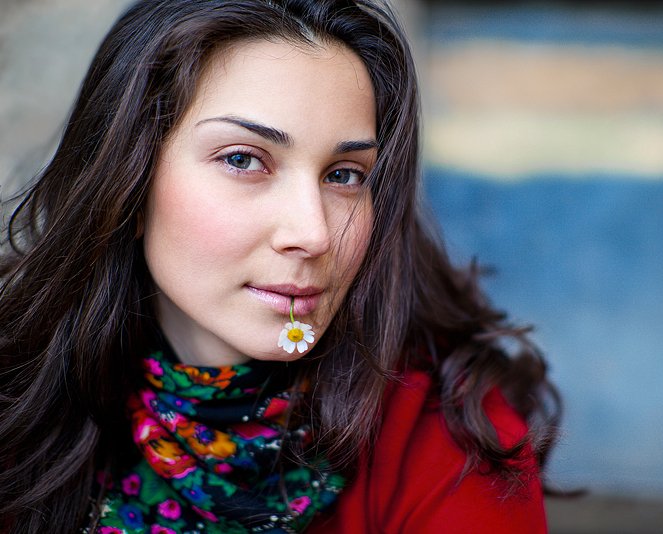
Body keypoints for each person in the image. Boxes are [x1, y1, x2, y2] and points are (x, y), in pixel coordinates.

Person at [0, 0, 560, 532]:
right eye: (243, 160)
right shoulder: (18, 409)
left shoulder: (450, 437)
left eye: (345, 175)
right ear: (130, 180)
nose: (313, 234)